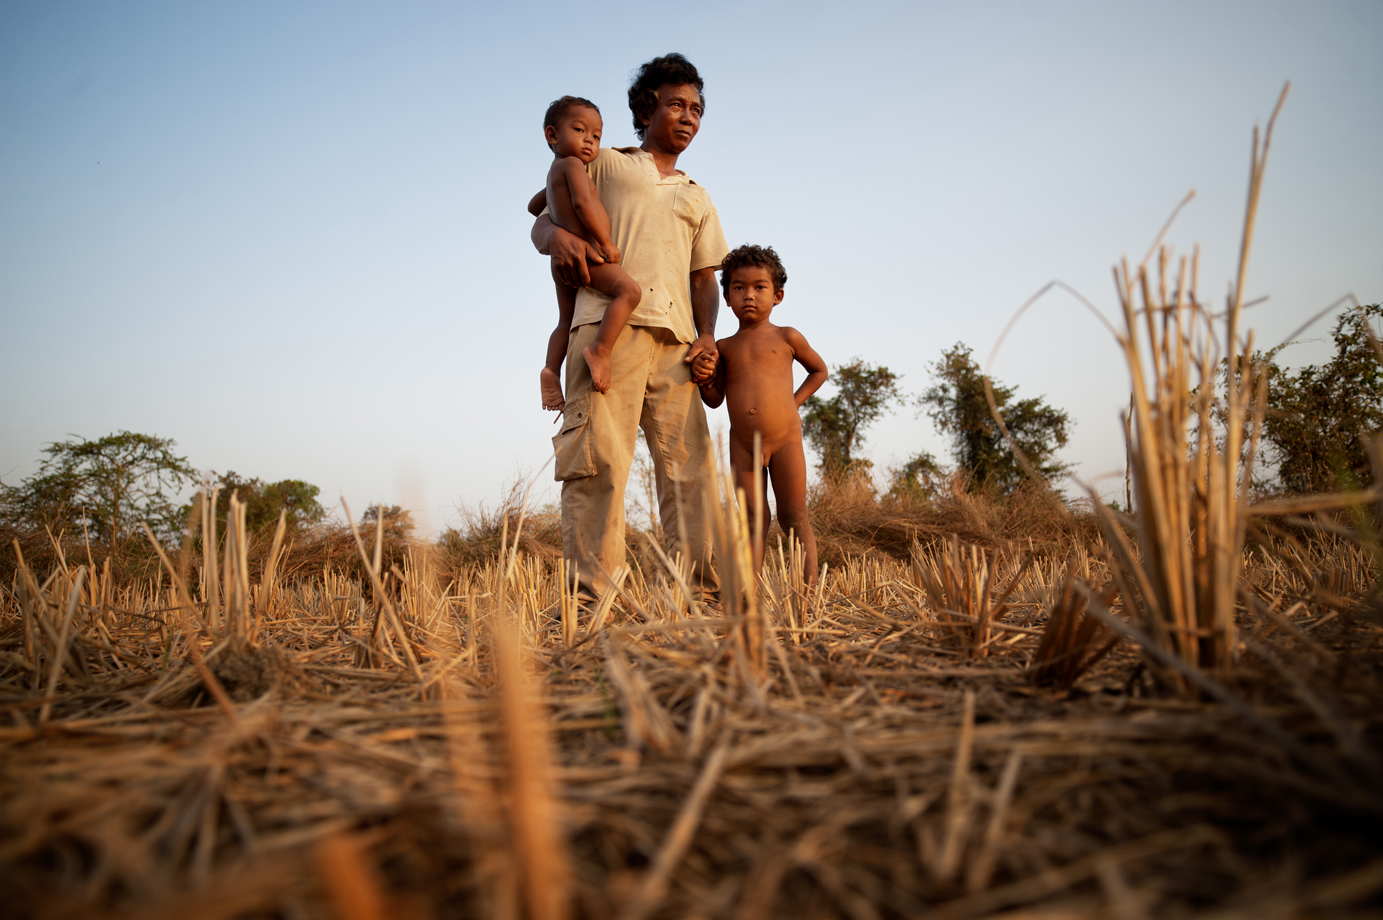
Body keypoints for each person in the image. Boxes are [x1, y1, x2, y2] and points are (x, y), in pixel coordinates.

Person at [530, 53, 728, 602]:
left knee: (690, 477)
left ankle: (698, 598)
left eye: (696, 109)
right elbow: (543, 209)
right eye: (676, 105)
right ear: (646, 108)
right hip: (604, 330)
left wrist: (707, 335)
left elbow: (704, 277)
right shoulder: (607, 162)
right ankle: (591, 602)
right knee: (599, 467)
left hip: (677, 342)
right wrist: (555, 238)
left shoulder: (698, 196)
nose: (688, 117)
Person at [693, 245, 827, 582]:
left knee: (794, 517)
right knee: (753, 519)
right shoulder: (722, 347)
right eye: (738, 288)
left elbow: (819, 371)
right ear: (725, 298)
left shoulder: (787, 337)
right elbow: (713, 399)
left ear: (778, 295)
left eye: (759, 287)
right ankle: (748, 594)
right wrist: (703, 377)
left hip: (785, 440)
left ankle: (809, 595)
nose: (748, 296)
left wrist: (792, 404)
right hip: (742, 444)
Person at [527, 97, 642, 410]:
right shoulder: (574, 166)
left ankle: (551, 368)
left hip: (560, 264)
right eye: (580, 130)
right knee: (629, 291)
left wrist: (551, 192)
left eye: (597, 136)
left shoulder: (556, 169)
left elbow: (533, 207)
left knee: (565, 320)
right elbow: (582, 203)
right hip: (587, 256)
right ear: (553, 135)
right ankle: (600, 351)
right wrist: (605, 241)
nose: (590, 140)